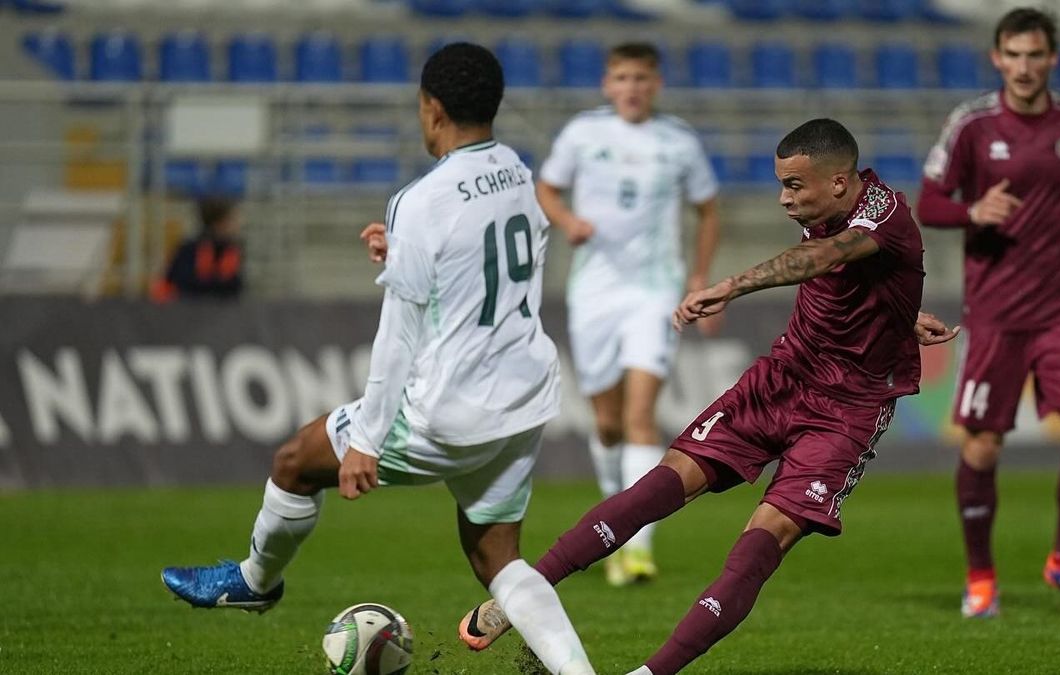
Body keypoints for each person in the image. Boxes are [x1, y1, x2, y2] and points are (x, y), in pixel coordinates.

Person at [457, 118, 959, 674]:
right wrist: (900, 316)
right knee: (656, 489)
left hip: (845, 414)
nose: (784, 199)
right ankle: (518, 596)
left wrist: (728, 286)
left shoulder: (884, 216)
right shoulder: (835, 211)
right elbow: (861, 279)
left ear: (839, 183)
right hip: (782, 379)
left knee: (758, 547)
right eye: (781, 184)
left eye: (794, 186)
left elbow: (822, 260)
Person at [160, 43, 595, 675]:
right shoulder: (518, 171)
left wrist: (366, 439)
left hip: (449, 409)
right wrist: (406, 252)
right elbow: (498, 253)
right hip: (526, 399)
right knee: (497, 557)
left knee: (294, 462)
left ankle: (256, 580)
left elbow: (398, 333)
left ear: (432, 108)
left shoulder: (422, 199)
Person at [917, 7, 1060, 618]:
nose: (1023, 66)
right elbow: (929, 201)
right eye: (1012, 54)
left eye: (1033, 54)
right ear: (996, 58)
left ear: (1052, 59)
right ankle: (981, 576)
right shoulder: (971, 124)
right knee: (983, 447)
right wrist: (971, 212)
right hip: (996, 314)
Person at [537, 42, 722, 586]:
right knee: (609, 423)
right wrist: (567, 221)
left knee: (642, 416)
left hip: (654, 291)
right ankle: (612, 523)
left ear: (656, 83)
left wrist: (696, 278)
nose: (632, 87)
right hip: (593, 292)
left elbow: (709, 211)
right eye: (622, 77)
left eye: (641, 77)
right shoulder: (581, 134)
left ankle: (636, 547)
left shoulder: (679, 141)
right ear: (606, 83)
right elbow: (545, 187)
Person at [154, 196, 244, 301]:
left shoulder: (231, 250)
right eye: (232, 220)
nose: (237, 224)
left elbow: (235, 285)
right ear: (220, 222)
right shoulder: (190, 248)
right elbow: (182, 282)